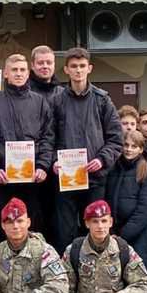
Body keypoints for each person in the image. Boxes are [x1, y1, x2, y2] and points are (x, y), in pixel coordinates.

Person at [49, 47, 123, 251]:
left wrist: (102, 159)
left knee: (95, 227)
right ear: (66, 70)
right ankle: (67, 273)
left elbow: (116, 139)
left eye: (82, 66)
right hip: (66, 179)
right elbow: (48, 138)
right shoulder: (57, 100)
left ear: (90, 68)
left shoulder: (102, 100)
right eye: (74, 66)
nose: (78, 70)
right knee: (65, 231)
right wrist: (53, 161)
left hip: (95, 177)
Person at [0, 54, 55, 240]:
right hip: (4, 178)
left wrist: (43, 166)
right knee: (5, 226)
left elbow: (48, 137)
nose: (19, 74)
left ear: (28, 73)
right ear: (6, 73)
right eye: (14, 70)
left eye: (22, 70)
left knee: (33, 227)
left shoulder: (39, 102)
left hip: (33, 179)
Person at [104, 130, 147, 270]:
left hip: (138, 234)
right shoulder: (114, 168)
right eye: (126, 145)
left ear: (141, 149)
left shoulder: (146, 171)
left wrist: (124, 233)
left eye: (134, 146)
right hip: (114, 232)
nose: (128, 149)